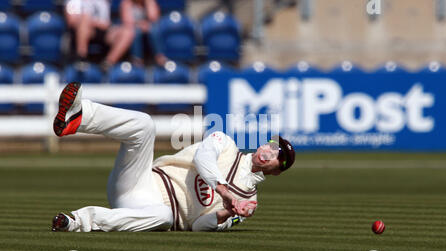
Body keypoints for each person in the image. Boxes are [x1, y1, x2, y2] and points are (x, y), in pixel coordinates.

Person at [51, 82, 296, 232]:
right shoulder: (226, 143)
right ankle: (81, 116)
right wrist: (224, 193)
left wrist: (229, 213)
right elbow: (204, 159)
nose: (270, 152)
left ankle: (75, 221)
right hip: (142, 180)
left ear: (275, 171)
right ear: (264, 144)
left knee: (164, 217)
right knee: (145, 125)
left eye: (278, 157)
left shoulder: (248, 201)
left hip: (150, 211)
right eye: (273, 146)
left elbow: (200, 226)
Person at [64, 0, 135, 69]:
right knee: (84, 21)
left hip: (103, 32)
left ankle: (108, 63)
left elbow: (106, 23)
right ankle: (81, 58)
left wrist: (93, 22)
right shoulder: (74, 1)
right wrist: (91, 21)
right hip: (83, 31)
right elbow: (72, 21)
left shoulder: (104, 1)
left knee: (127, 32)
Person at [120, 0, 168, 66]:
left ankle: (160, 57)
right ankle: (137, 59)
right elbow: (127, 21)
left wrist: (148, 3)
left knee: (155, 30)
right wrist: (140, 24)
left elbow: (154, 18)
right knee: (135, 32)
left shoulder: (150, 2)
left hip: (148, 26)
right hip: (133, 27)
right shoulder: (126, 2)